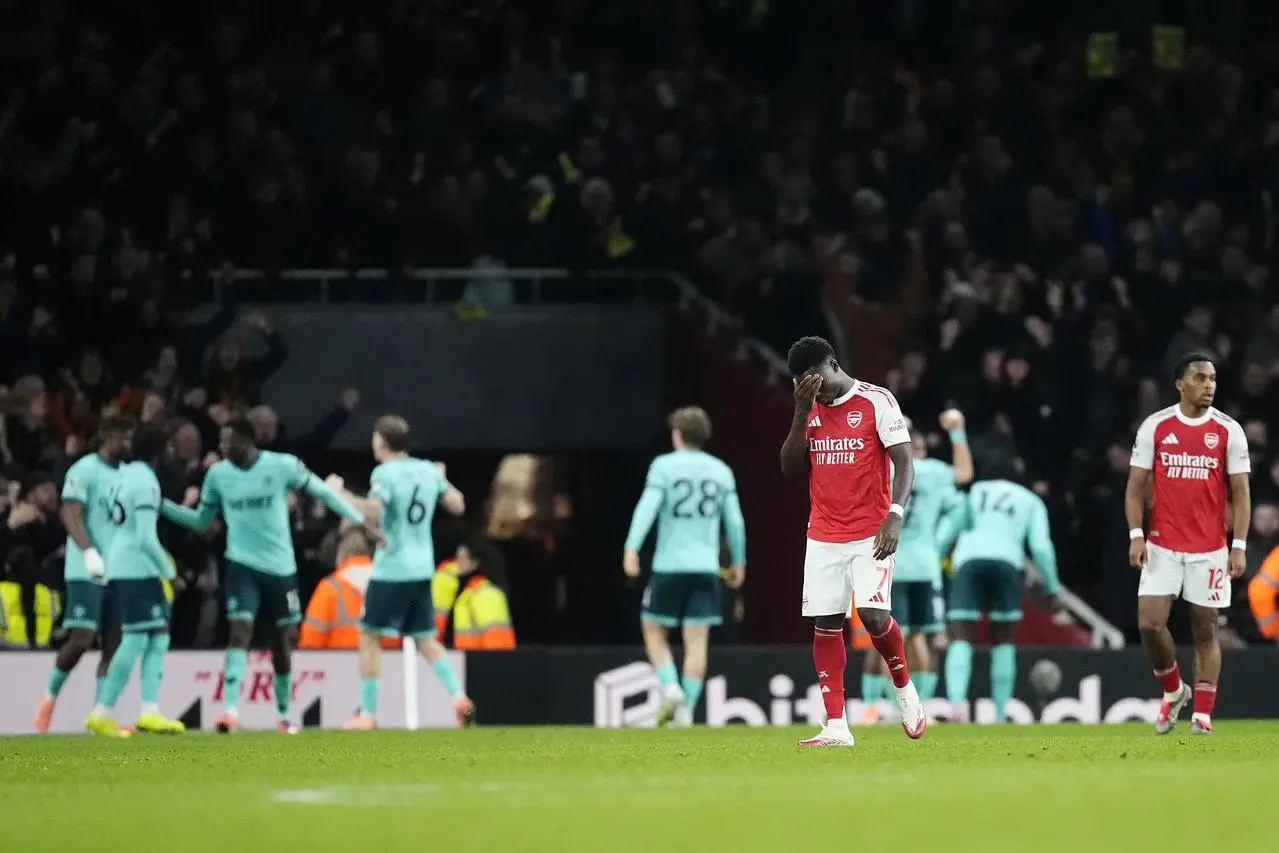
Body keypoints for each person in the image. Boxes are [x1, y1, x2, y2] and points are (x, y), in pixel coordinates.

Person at [160, 418, 371, 734]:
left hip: (280, 569)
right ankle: (230, 711)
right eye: (221, 441)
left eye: (228, 441)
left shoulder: (281, 466)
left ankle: (284, 714)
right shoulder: (218, 476)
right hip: (241, 565)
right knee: (240, 631)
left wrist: (359, 520)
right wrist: (162, 506)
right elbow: (201, 521)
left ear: (247, 440)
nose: (222, 447)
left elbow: (323, 493)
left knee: (281, 643)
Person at [779, 335, 924, 747]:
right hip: (823, 533)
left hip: (870, 531)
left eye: (816, 379)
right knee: (826, 624)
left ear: (833, 365)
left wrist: (894, 517)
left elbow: (905, 463)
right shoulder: (809, 407)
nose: (814, 388)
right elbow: (789, 468)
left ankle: (904, 688)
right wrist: (800, 413)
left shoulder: (877, 401)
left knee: (873, 616)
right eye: (803, 383)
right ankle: (837, 726)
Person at [1127, 352, 1251, 735]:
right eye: (1200, 378)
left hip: (1210, 549)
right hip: (1162, 545)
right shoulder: (1157, 426)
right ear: (1180, 384)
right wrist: (1136, 535)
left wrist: (1239, 544)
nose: (1209, 385)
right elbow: (1135, 488)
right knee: (1149, 625)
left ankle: (1203, 713)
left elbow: (1241, 493)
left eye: (1212, 378)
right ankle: (1172, 691)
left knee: (1205, 628)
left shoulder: (1229, 430)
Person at [329, 414, 474, 729]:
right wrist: (442, 482)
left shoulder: (385, 473)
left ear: (381, 441)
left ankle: (367, 714)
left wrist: (340, 493)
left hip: (392, 567)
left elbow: (374, 510)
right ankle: (459, 698)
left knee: (369, 635)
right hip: (422, 568)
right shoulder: (427, 469)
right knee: (425, 639)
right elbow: (458, 505)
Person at [623, 406, 746, 726]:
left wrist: (631, 548)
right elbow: (734, 521)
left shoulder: (663, 466)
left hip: (669, 564)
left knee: (653, 629)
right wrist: (739, 560)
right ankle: (686, 711)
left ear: (677, 434)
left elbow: (646, 508)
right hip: (706, 567)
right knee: (697, 640)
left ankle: (671, 688)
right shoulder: (721, 471)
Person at [861, 411, 971, 725]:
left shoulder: (877, 469)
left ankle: (896, 711)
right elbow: (964, 473)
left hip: (886, 563)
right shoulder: (933, 472)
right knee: (919, 639)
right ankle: (916, 710)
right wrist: (958, 432)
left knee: (890, 638)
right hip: (925, 567)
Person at [85, 425, 186, 737]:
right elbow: (145, 537)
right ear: (159, 451)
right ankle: (102, 712)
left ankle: (149, 710)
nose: (171, 452)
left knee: (158, 634)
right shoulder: (145, 482)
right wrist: (171, 573)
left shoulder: (125, 475)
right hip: (136, 567)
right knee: (136, 638)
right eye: (168, 446)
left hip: (126, 564)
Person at [943, 458, 1060, 723]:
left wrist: (934, 567)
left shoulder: (972, 493)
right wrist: (1052, 587)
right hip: (1007, 564)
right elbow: (1041, 547)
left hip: (969, 562)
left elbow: (948, 531)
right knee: (1003, 639)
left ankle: (955, 708)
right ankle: (998, 713)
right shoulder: (1030, 500)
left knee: (961, 635)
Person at [35, 416, 133, 732]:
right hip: (86, 570)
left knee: (114, 645)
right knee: (81, 640)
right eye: (125, 437)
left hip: (119, 571)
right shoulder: (84, 469)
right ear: (107, 434)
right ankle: (48, 700)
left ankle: (99, 719)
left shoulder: (128, 476)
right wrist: (89, 552)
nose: (129, 444)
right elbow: (70, 512)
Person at [443, 538, 516, 651]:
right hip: (466, 661)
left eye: (461, 558)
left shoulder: (486, 594)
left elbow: (496, 639)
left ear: (475, 563)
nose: (456, 563)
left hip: (482, 663)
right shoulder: (467, 592)